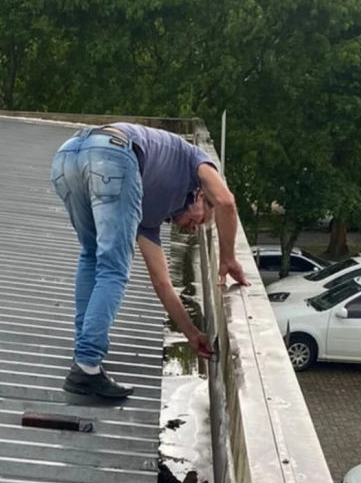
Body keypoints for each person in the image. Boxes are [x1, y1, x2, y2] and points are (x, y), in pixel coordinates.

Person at [50, 122, 250, 399]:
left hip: (68, 156)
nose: (194, 227)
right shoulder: (196, 162)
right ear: (202, 197)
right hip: (112, 156)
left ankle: (84, 356)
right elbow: (227, 202)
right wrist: (228, 257)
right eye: (201, 220)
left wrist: (192, 334)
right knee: (114, 269)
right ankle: (86, 364)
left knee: (92, 256)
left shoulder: (148, 219)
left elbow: (162, 283)